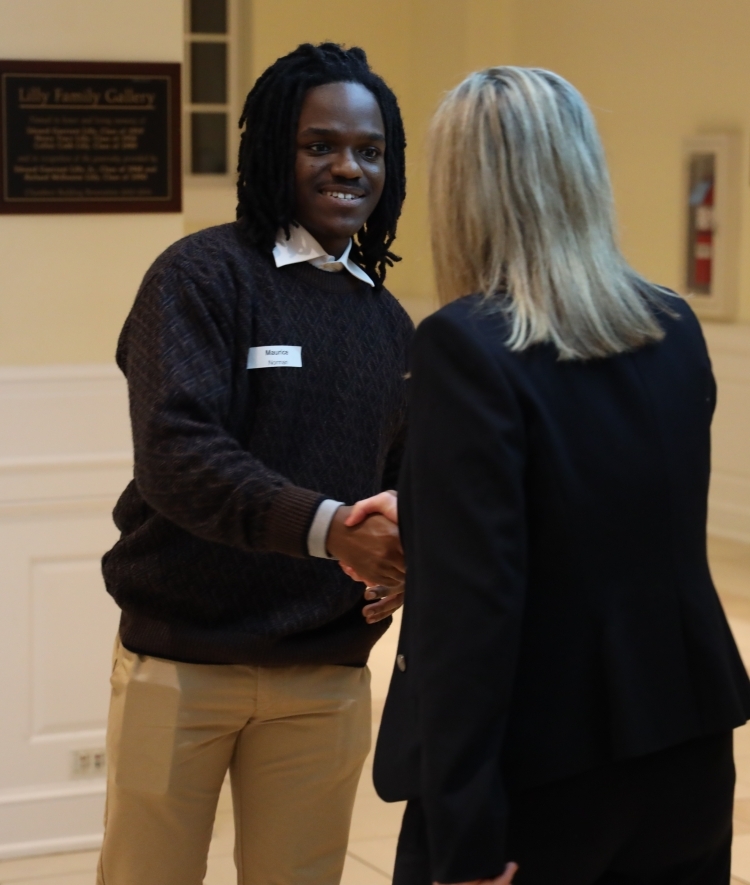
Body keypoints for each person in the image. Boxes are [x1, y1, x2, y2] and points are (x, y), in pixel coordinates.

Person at [366, 67, 750, 885]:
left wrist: (465, 830)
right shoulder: (674, 326)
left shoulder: (465, 345)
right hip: (684, 753)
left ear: (460, 189)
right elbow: (614, 518)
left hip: (536, 778)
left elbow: (474, 613)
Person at [96, 43, 413, 885]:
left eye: (370, 151)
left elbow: (407, 478)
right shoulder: (200, 277)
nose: (349, 167)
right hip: (181, 663)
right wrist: (332, 533)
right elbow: (177, 453)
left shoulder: (388, 322)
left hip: (326, 673)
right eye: (321, 145)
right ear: (275, 149)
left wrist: (408, 551)